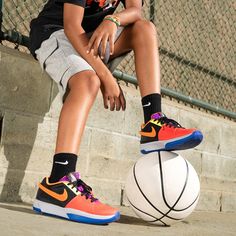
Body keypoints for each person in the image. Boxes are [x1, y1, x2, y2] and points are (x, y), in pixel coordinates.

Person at [29, 0, 203, 224]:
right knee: (88, 81)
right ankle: (58, 183)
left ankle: (153, 122)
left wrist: (113, 20)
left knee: (144, 28)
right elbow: (72, 27)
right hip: (55, 33)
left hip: (91, 36)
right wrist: (105, 76)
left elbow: (135, 10)